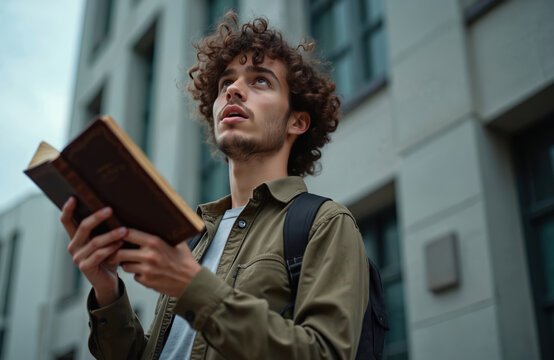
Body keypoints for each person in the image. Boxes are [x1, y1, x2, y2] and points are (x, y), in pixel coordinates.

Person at [60, 13, 369, 360]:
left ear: (296, 121)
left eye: (260, 82)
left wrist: (192, 287)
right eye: (226, 84)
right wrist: (107, 290)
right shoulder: (193, 239)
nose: (233, 90)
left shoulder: (325, 224)